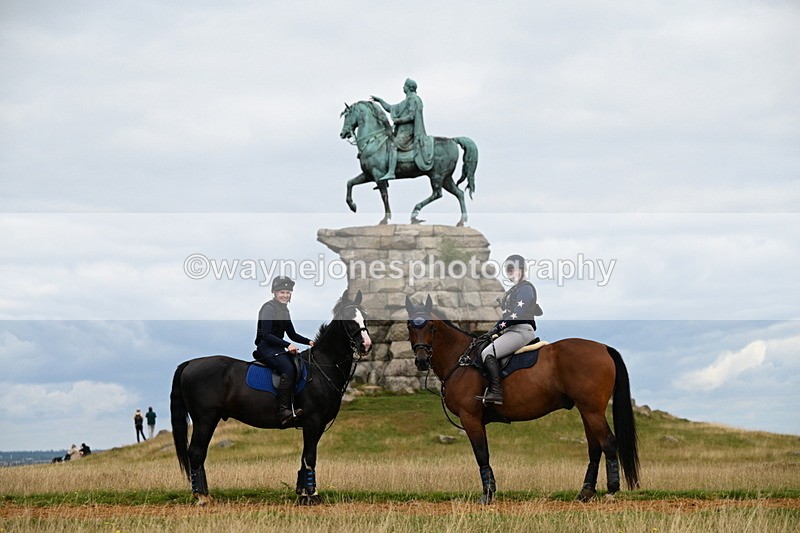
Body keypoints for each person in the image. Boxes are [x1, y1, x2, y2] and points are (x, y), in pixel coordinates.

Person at [476, 254, 543, 405]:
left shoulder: (526, 288)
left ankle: (497, 393)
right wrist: (495, 330)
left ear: (523, 270)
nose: (511, 273)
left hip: (520, 330)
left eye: (514, 269)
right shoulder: (514, 290)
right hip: (511, 330)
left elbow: (516, 315)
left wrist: (496, 329)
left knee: (487, 353)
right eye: (508, 270)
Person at [254, 276, 315, 426]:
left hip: (277, 347)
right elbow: (267, 335)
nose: (285, 295)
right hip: (266, 347)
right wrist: (288, 345)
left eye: (288, 292)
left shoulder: (284, 310)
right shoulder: (268, 308)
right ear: (274, 292)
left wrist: (309, 341)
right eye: (282, 292)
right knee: (288, 368)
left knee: (298, 365)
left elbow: (292, 334)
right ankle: (283, 411)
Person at [370, 78, 433, 181]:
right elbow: (390, 108)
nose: (403, 87)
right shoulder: (405, 101)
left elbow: (412, 116)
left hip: (408, 132)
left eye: (404, 85)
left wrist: (399, 120)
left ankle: (391, 172)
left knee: (393, 145)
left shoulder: (414, 99)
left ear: (408, 87)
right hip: (401, 132)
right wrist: (380, 101)